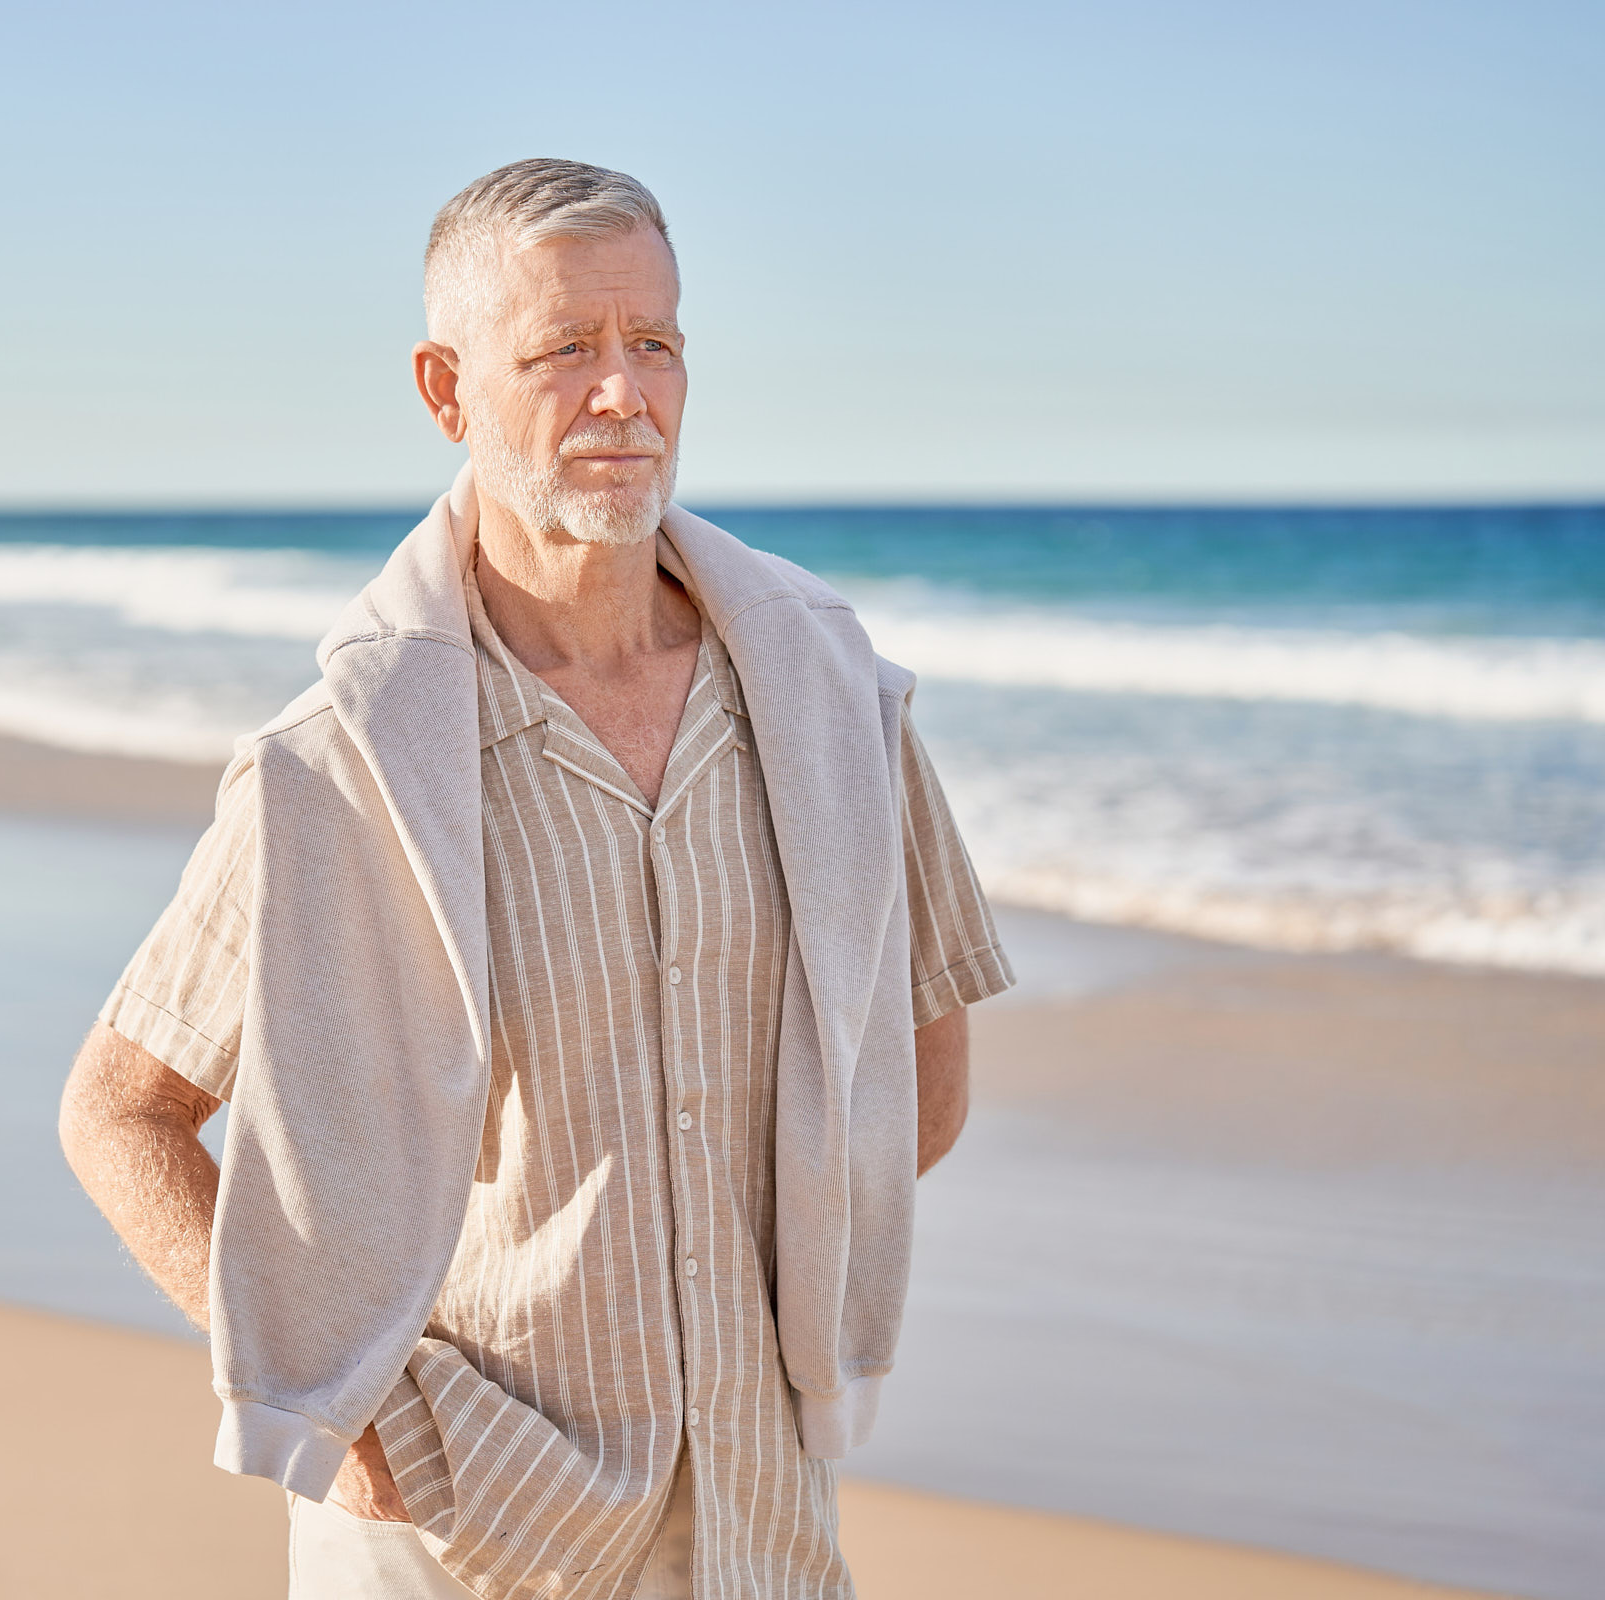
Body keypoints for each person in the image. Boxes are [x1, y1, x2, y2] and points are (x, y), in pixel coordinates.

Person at [60, 157, 1013, 1600]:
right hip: (463, 1524)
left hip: (757, 1517)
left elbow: (917, 1083)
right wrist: (354, 1421)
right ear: (447, 392)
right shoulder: (340, 764)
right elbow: (119, 1112)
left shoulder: (835, 705)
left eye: (655, 343)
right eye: (565, 348)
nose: (623, 394)